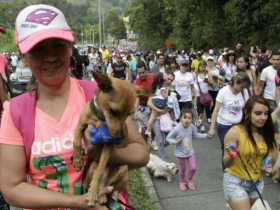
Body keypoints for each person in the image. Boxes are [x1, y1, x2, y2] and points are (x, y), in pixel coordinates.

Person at [0, 4, 149, 210]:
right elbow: (12, 188)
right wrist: (76, 203)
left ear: (71, 46)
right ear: (23, 57)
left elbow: (141, 153)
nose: (50, 56)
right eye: (38, 49)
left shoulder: (98, 96)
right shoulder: (16, 112)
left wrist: (101, 152)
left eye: (58, 45)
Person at [223, 96, 276, 210]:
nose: (263, 117)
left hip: (256, 183)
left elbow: (264, 159)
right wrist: (232, 156)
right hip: (236, 181)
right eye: (258, 113)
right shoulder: (235, 132)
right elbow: (226, 164)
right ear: (247, 113)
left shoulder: (265, 132)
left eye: (266, 113)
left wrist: (266, 167)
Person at [208, 72, 250, 169]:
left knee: (240, 147)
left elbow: (247, 108)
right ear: (234, 82)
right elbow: (216, 110)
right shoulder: (223, 91)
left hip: (238, 125)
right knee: (228, 148)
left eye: (244, 87)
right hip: (224, 125)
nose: (241, 89)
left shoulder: (244, 92)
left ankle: (236, 168)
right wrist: (211, 128)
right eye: (240, 86)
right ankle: (226, 170)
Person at [166, 109, 209, 191]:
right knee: (182, 170)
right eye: (184, 117)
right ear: (180, 118)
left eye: (189, 118)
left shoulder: (192, 127)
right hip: (180, 153)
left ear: (192, 120)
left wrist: (206, 135)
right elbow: (168, 138)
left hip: (190, 151)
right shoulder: (177, 129)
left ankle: (189, 180)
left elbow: (196, 135)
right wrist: (175, 141)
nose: (187, 120)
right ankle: (182, 182)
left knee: (193, 168)